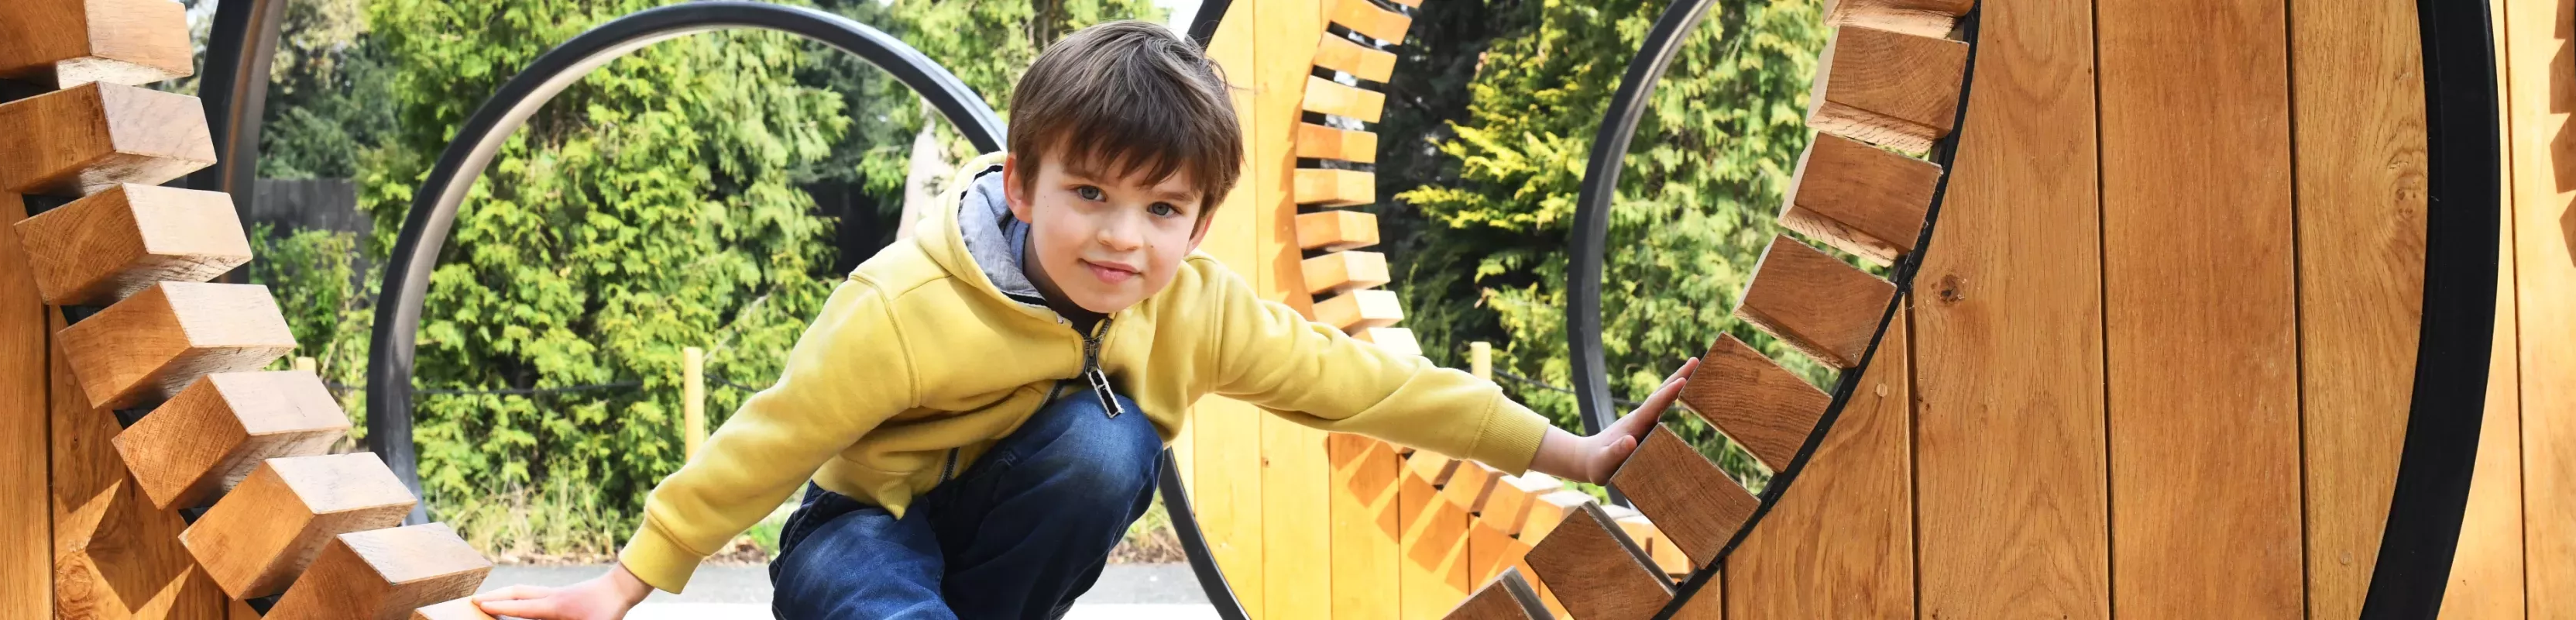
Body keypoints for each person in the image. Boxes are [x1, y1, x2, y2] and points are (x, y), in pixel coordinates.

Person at [469, 19, 1694, 619]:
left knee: (1115, 443)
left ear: (1200, 222)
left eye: (1162, 209)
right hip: (863, 530)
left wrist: (1569, 455)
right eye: (1090, 195)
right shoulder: (906, 303)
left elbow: (1371, 385)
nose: (1122, 237)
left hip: (1010, 547)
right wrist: (632, 581)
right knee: (876, 588)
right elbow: (775, 436)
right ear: (1022, 185)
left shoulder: (1197, 312)